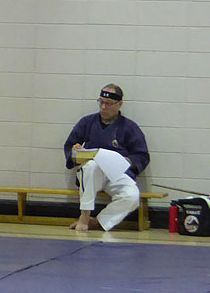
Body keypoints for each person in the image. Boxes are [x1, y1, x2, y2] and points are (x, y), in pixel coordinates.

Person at [63, 83, 150, 231]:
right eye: (101, 102)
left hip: (116, 173)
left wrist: (128, 161)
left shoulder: (130, 127)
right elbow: (70, 147)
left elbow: (142, 155)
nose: (103, 107)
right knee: (91, 166)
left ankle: (98, 222)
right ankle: (84, 216)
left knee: (132, 196)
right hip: (91, 174)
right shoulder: (87, 122)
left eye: (108, 103)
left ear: (120, 104)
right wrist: (75, 151)